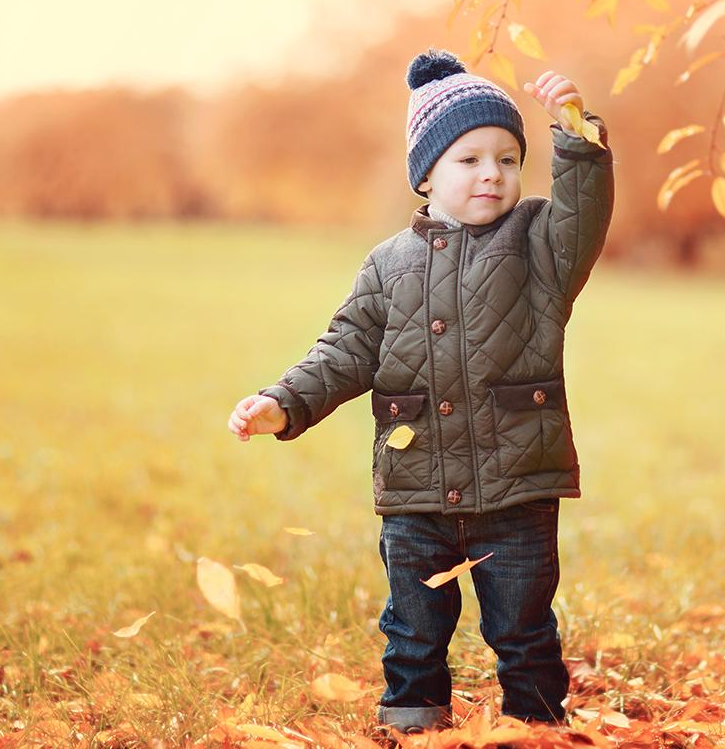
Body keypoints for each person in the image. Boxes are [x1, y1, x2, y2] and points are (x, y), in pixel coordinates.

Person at [225, 48, 615, 735]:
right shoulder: (388, 264)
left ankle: (538, 723)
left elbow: (583, 212)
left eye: (507, 157)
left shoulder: (539, 248)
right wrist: (283, 402)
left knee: (523, 628)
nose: (492, 173)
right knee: (412, 629)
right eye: (469, 159)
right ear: (426, 174)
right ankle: (414, 722)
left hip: (515, 486)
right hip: (415, 488)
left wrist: (576, 133)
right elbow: (344, 349)